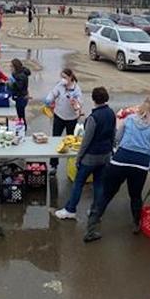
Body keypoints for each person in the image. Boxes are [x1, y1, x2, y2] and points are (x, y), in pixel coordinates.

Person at [84, 96, 150, 242]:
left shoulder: (130, 119)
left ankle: (91, 227)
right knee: (135, 196)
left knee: (107, 194)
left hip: (120, 161)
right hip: (140, 165)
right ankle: (135, 224)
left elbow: (118, 138)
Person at [55, 87, 114, 220]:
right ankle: (96, 212)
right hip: (105, 156)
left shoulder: (93, 118)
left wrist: (78, 157)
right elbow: (113, 135)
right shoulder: (111, 113)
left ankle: (70, 210)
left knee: (78, 183)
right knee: (99, 184)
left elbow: (86, 141)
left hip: (91, 157)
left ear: (93, 99)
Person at [44, 68, 83, 171]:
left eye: (65, 77)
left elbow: (79, 104)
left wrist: (76, 104)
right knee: (55, 140)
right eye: (62, 77)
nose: (63, 79)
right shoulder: (60, 86)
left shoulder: (77, 89)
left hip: (71, 119)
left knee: (72, 143)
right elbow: (53, 93)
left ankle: (72, 164)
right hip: (59, 116)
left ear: (70, 77)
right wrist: (49, 99)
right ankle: (53, 165)